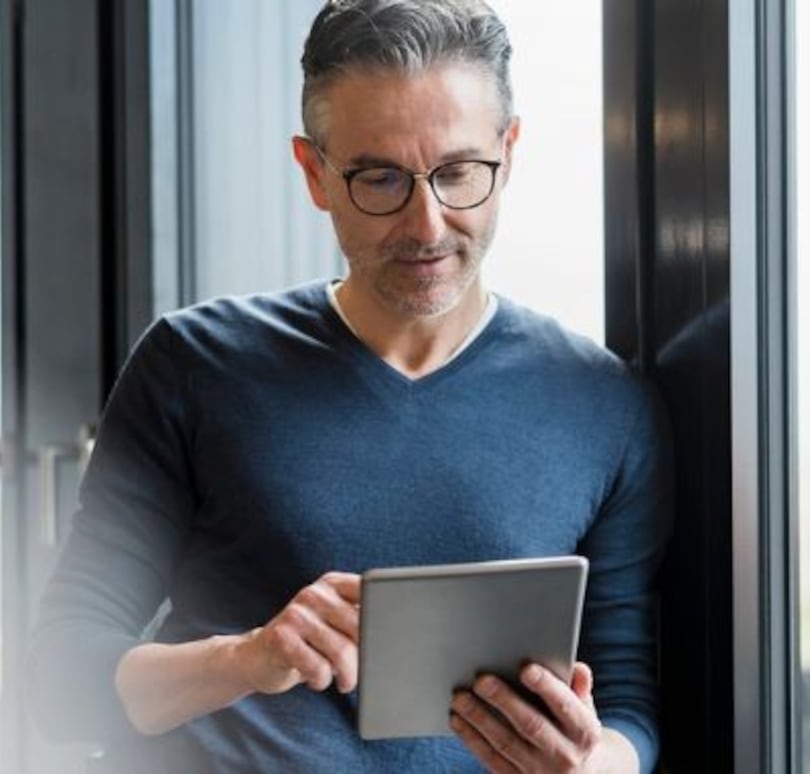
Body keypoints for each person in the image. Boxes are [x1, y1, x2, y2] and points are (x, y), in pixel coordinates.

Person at [25, 1, 671, 772]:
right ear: (315, 173)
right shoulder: (191, 365)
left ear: (510, 151)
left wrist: (592, 762)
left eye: (459, 172)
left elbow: (628, 704)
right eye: (380, 179)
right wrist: (248, 658)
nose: (427, 224)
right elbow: (56, 680)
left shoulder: (604, 406)